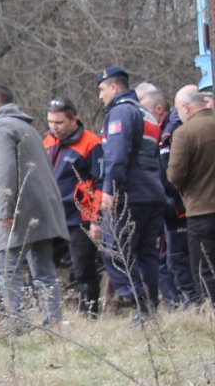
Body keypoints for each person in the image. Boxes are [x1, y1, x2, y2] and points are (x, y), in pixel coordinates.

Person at [0, 85, 65, 329]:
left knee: (5, 267)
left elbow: (5, 169)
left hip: (17, 211)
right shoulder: (27, 127)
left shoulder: (0, 127)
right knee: (43, 270)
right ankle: (53, 323)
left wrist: (3, 209)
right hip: (42, 209)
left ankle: (18, 324)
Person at [90, 66, 165, 322]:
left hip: (129, 195)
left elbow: (116, 154)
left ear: (114, 87)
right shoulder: (148, 115)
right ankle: (150, 311)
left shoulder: (121, 112)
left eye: (102, 89)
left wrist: (109, 189)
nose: (100, 96)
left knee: (116, 252)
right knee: (146, 254)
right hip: (152, 193)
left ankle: (140, 302)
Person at [42, 97, 103, 317]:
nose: (53, 127)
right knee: (43, 263)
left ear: (73, 119)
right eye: (50, 122)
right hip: (52, 216)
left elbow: (100, 183)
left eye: (58, 123)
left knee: (83, 268)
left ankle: (89, 314)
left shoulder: (91, 143)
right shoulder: (48, 141)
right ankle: (48, 310)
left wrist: (96, 219)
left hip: (80, 217)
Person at [137, 82, 196, 308]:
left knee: (177, 259)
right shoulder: (159, 131)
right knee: (165, 259)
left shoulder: (173, 130)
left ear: (158, 109)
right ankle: (175, 305)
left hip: (179, 207)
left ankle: (190, 304)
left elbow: (173, 173)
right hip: (166, 206)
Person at [168, 85, 215, 304]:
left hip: (201, 212)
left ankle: (210, 317)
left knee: (205, 270)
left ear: (185, 108)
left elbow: (175, 176)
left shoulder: (184, 133)